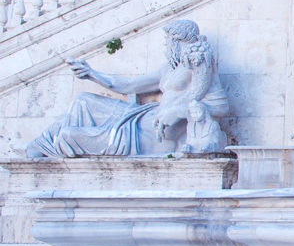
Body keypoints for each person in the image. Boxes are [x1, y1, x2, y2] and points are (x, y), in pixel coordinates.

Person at [26, 19, 229, 157]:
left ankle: (47, 145)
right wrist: (92, 74)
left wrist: (177, 111)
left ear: (176, 41)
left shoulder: (201, 64)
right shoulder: (168, 69)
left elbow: (220, 107)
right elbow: (130, 86)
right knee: (83, 101)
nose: (165, 46)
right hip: (141, 116)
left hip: (143, 134)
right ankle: (42, 143)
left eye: (168, 41)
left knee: (68, 135)